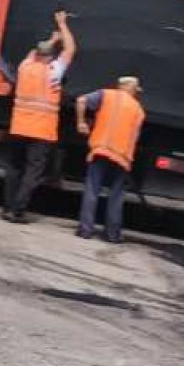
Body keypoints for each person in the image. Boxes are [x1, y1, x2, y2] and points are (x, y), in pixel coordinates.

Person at [0, 8, 76, 222]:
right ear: (50, 58)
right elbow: (70, 49)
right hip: (41, 131)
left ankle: (7, 207)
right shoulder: (53, 72)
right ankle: (18, 210)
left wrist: (51, 40)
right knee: (32, 172)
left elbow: (35, 52)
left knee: (14, 168)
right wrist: (62, 24)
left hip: (19, 127)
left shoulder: (24, 67)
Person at [74, 72, 145, 242]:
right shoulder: (138, 110)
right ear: (129, 88)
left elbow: (81, 100)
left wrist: (81, 122)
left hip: (100, 150)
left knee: (92, 190)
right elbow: (134, 138)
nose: (136, 93)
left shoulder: (105, 95)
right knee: (116, 195)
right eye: (135, 90)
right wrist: (129, 160)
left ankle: (85, 230)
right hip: (121, 157)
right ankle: (112, 234)